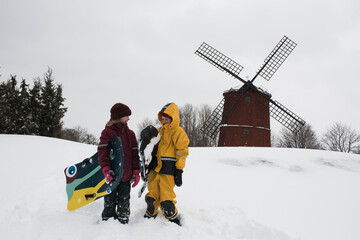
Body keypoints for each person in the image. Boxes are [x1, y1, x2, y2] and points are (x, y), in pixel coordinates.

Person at [144, 103, 189, 226]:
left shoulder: (178, 132)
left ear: (173, 118)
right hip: (155, 168)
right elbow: (151, 147)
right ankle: (151, 211)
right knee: (152, 193)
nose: (164, 122)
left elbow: (182, 152)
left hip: (168, 170)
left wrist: (179, 170)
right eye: (163, 119)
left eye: (167, 119)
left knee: (166, 196)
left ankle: (171, 215)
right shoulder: (160, 131)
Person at [98, 103, 140, 224]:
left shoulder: (130, 134)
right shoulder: (107, 133)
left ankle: (123, 220)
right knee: (109, 200)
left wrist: (136, 171)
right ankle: (107, 221)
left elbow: (134, 154)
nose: (128, 118)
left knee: (124, 200)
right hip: (112, 175)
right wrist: (106, 169)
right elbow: (102, 152)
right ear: (119, 116)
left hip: (126, 175)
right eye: (126, 116)